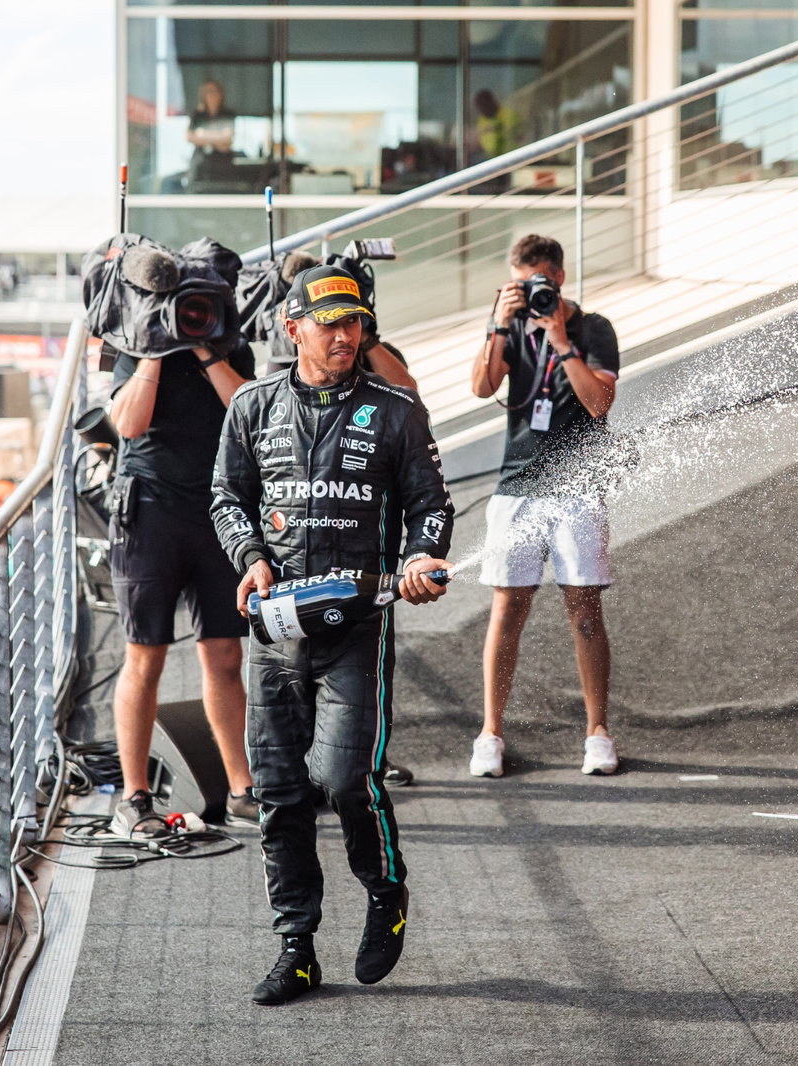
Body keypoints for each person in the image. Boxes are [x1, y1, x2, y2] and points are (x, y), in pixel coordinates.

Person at [210, 263, 454, 1006]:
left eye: (355, 323)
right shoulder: (252, 405)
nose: (347, 335)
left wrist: (418, 557)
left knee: (347, 779)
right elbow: (226, 497)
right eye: (331, 324)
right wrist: (250, 560)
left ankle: (385, 891)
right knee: (280, 794)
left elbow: (432, 507)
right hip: (276, 628)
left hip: (358, 627)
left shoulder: (396, 408)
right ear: (293, 330)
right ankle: (298, 949)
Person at [468, 234, 621, 778]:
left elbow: (599, 404)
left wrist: (561, 342)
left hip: (578, 488)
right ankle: (490, 732)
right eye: (520, 282)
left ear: (558, 277)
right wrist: (495, 323)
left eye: (539, 281)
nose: (533, 291)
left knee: (583, 610)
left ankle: (597, 731)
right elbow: (482, 388)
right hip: (517, 485)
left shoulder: (592, 327)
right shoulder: (509, 325)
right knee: (507, 608)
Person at [106, 315, 259, 837]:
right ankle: (134, 795)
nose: (190, 317)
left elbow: (248, 411)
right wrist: (155, 348)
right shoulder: (135, 345)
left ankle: (242, 789)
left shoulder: (229, 346)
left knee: (225, 655)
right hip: (149, 513)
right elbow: (128, 423)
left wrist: (205, 352)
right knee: (145, 657)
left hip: (215, 510)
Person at [185, 79, 236, 192]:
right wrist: (219, 139)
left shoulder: (227, 115)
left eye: (214, 91)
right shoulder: (197, 116)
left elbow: (228, 139)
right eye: (208, 92)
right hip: (201, 167)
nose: (212, 95)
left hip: (222, 169)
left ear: (221, 94)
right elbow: (189, 137)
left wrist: (202, 134)